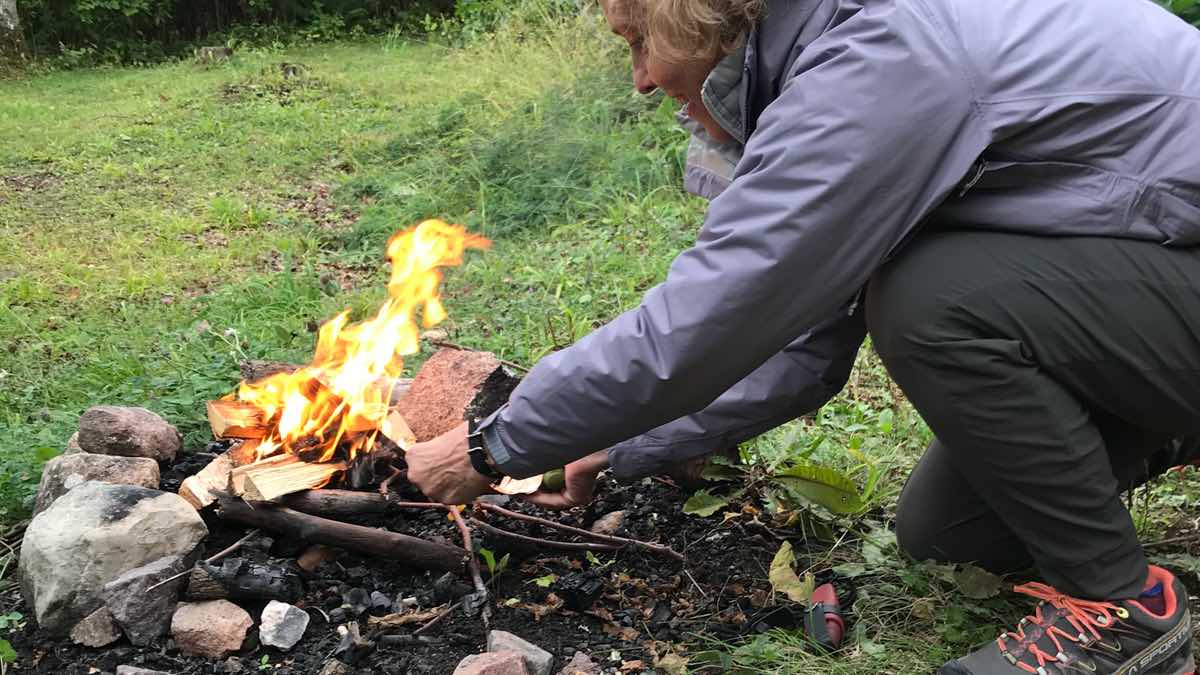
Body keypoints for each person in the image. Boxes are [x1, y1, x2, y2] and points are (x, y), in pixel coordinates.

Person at [408, 0, 1200, 672]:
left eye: (638, 41)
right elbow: (801, 345)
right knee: (948, 534)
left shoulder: (885, 56)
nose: (641, 79)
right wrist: (613, 448)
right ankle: (1161, 426)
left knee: (934, 299)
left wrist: (493, 444)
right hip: (1166, 283)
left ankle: (1122, 608)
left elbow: (719, 313)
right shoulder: (844, 48)